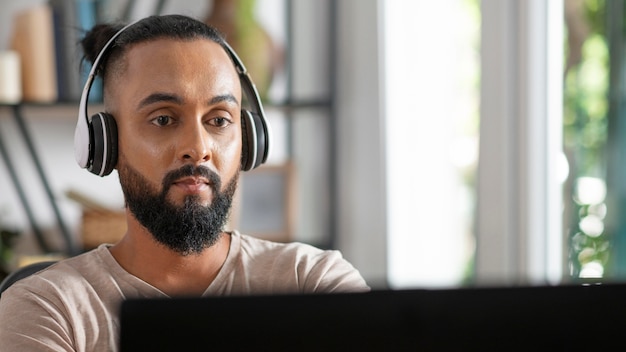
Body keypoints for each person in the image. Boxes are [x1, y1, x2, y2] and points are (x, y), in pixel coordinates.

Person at [0, 14, 369, 351]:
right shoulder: (48, 308)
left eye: (219, 119)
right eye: (163, 119)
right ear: (106, 143)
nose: (198, 148)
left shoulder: (313, 282)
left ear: (248, 140)